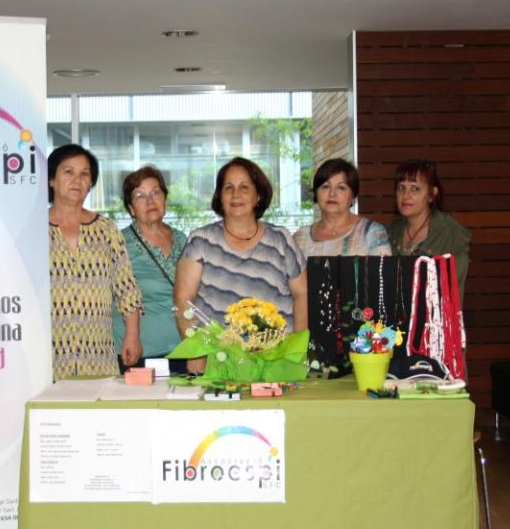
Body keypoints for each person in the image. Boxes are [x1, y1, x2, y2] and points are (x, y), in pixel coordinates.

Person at [174, 157, 307, 373]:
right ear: (220, 196)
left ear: (258, 195)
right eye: (228, 187)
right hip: (218, 362)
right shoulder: (201, 241)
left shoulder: (281, 240)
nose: (236, 194)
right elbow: (183, 301)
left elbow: (302, 294)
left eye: (244, 187)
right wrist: (196, 353)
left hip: (275, 362)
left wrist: (297, 351)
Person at [48, 143, 143, 378]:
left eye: (84, 174)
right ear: (51, 180)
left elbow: (126, 288)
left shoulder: (106, 229)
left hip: (98, 355)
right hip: (46, 357)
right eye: (68, 172)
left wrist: (132, 335)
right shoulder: (32, 230)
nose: (77, 180)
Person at [111, 166, 188, 373]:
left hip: (185, 349)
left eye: (155, 192)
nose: (150, 201)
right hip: (139, 351)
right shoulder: (119, 243)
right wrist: (132, 336)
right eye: (140, 196)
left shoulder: (182, 239)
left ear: (165, 199)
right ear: (131, 208)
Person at [386, 159, 471, 300]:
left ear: (432, 194)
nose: (405, 195)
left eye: (415, 189)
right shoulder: (389, 232)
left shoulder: (450, 234)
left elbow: (451, 295)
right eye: (401, 188)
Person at [293, 158, 392, 257]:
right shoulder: (300, 238)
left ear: (353, 196)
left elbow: (382, 266)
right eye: (326, 186)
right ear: (316, 193)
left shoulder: (372, 233)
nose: (332, 194)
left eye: (341, 187)